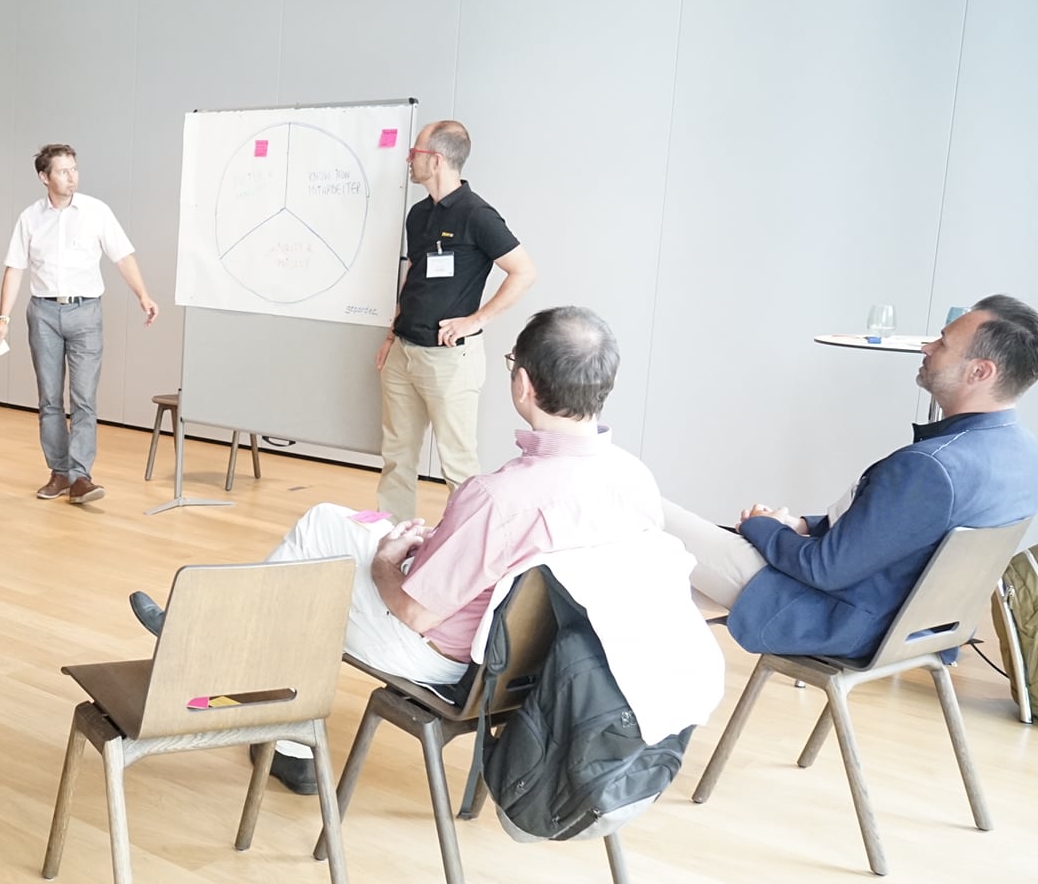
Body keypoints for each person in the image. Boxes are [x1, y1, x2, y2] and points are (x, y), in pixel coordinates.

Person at [133, 307, 660, 793]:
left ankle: (218, 658)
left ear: (522, 383)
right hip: (538, 667)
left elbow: (411, 610)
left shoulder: (500, 498)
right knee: (339, 527)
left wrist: (390, 561)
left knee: (316, 558)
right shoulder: (636, 483)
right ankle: (242, 678)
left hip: (442, 660)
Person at [664, 296, 1038, 661]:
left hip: (837, 617)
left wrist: (762, 528)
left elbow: (824, 569)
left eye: (943, 342)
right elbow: (892, 535)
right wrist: (801, 526)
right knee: (657, 569)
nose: (926, 347)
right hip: (909, 624)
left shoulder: (930, 467)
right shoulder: (1022, 454)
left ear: (980, 371)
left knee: (649, 514)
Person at [373, 120, 537, 522]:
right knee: (397, 455)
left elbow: (524, 271)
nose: (409, 160)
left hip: (448, 360)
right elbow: (413, 274)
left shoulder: (477, 214)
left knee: (457, 463)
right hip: (404, 354)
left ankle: (463, 548)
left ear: (437, 159)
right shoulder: (418, 214)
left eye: (415, 154)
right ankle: (393, 538)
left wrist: (474, 320)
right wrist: (393, 333)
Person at [0, 143, 160, 504]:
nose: (72, 177)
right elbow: (15, 268)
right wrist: (3, 317)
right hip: (43, 313)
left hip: (86, 312)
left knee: (83, 398)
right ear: (44, 177)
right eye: (63, 171)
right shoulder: (30, 218)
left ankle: (81, 475)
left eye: (74, 169)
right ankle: (59, 473)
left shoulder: (96, 211)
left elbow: (122, 256)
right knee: (50, 399)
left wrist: (142, 295)